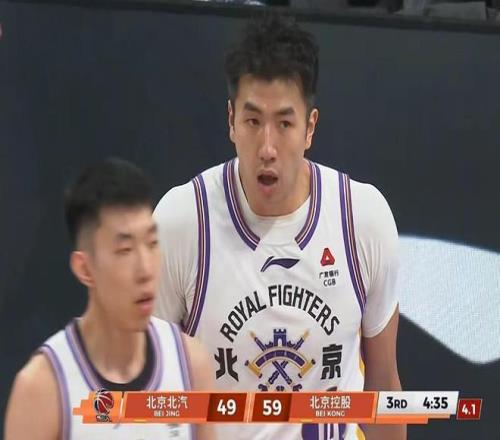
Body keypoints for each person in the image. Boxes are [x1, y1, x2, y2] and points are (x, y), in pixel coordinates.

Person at [154, 15, 406, 440]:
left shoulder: (362, 218)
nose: (267, 148)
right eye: (253, 122)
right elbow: (152, 394)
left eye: (285, 124)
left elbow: (382, 385)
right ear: (231, 120)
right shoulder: (182, 222)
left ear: (310, 128)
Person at [4, 158, 215, 440]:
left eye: (152, 244)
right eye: (125, 250)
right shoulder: (43, 390)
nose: (145, 269)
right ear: (84, 268)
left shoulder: (191, 366)